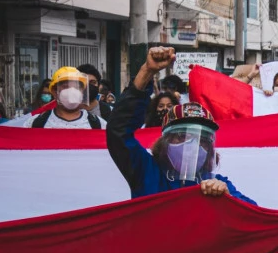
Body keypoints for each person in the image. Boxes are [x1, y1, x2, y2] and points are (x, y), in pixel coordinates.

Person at [108, 47, 254, 203]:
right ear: (165, 143)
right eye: (180, 135)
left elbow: (253, 214)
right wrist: (146, 71)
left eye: (202, 139)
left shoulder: (216, 184)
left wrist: (227, 199)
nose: (192, 144)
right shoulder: (146, 172)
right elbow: (118, 130)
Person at [32, 67, 106, 129]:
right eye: (66, 87)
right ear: (55, 92)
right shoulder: (35, 123)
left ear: (82, 91)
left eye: (77, 87)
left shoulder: (99, 124)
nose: (72, 91)